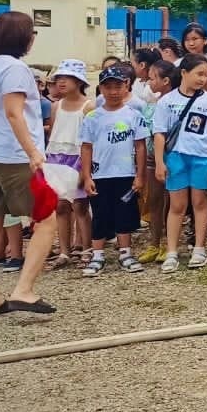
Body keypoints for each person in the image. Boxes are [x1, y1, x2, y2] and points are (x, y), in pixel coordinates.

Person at [0, 11, 57, 317]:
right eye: (32, 33)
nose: (33, 38)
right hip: (11, 156)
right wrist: (34, 152)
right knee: (46, 219)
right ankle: (24, 290)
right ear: (22, 37)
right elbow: (14, 113)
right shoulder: (16, 69)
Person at [152, 54, 207, 272]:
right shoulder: (167, 101)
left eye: (206, 75)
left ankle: (199, 248)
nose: (202, 79)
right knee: (177, 205)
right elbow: (159, 133)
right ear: (184, 73)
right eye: (198, 74)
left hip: (203, 158)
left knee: (200, 202)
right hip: (176, 156)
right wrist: (159, 162)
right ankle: (172, 251)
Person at [77, 63, 148, 276]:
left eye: (118, 86)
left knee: (124, 213)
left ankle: (125, 251)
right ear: (101, 88)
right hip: (100, 174)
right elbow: (86, 147)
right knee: (100, 213)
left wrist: (140, 174)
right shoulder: (92, 118)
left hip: (125, 174)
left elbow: (140, 146)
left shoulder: (133, 115)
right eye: (108, 87)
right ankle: (97, 254)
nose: (113, 91)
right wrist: (87, 176)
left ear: (126, 86)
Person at [44, 59, 93, 267]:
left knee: (80, 206)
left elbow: (91, 139)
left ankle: (86, 247)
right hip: (56, 157)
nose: (62, 82)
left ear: (79, 81)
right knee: (60, 206)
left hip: (78, 157)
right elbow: (54, 133)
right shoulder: (56, 106)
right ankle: (64, 251)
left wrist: (85, 169)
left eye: (67, 78)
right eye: (59, 79)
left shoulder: (89, 106)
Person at [136, 60, 176, 263]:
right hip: (152, 159)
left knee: (171, 202)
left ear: (166, 81)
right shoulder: (152, 103)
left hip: (171, 157)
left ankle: (169, 244)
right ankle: (154, 243)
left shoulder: (173, 103)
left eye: (152, 78)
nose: (149, 83)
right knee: (154, 200)